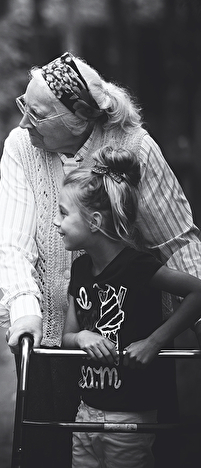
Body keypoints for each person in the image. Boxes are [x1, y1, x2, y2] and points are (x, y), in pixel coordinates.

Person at [0, 51, 201, 467]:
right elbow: (10, 237)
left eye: (37, 114)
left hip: (131, 350)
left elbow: (176, 241)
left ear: (78, 118)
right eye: (23, 107)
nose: (24, 123)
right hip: (54, 338)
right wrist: (25, 309)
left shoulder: (135, 148)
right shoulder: (21, 146)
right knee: (49, 450)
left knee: (133, 451)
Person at [57, 146, 201, 468]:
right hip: (85, 411)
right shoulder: (79, 270)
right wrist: (81, 338)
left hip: (131, 416)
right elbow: (67, 337)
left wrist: (154, 341)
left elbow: (197, 292)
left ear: (94, 221)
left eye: (64, 213)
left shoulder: (137, 266)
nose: (56, 222)